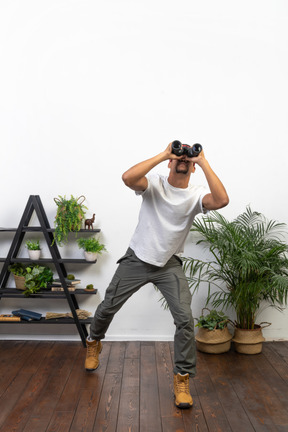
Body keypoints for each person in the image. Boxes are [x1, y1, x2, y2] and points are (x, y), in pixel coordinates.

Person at [85, 141, 229, 409]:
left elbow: (221, 200)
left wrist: (203, 161)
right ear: (171, 163)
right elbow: (128, 178)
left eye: (188, 158)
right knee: (107, 308)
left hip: (169, 264)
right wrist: (164, 153)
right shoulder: (155, 184)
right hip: (137, 258)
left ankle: (182, 378)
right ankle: (93, 341)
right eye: (178, 156)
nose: (183, 158)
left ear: (193, 167)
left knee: (185, 319)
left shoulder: (196, 195)